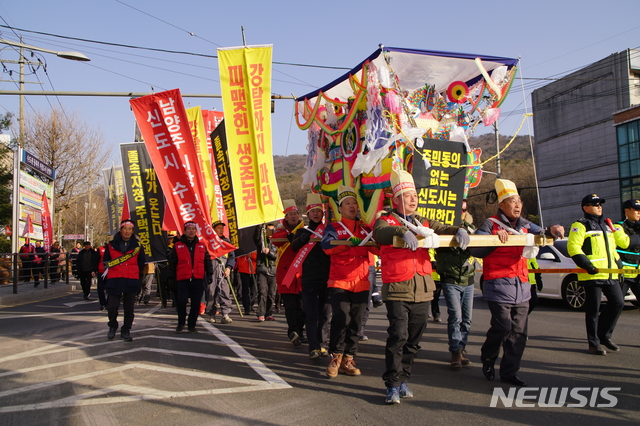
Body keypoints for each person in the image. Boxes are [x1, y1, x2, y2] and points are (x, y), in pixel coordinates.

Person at [374, 170, 468, 404]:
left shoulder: (423, 222)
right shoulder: (386, 220)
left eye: (415, 195)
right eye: (408, 196)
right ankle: (392, 384)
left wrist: (460, 230)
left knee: (414, 340)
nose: (413, 199)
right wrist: (401, 231)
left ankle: (404, 380)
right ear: (396, 201)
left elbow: (445, 227)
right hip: (398, 288)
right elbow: (380, 233)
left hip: (424, 290)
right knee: (398, 336)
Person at [471, 179, 564, 387]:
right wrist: (494, 240)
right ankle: (488, 356)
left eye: (519, 201)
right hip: (498, 283)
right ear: (502, 204)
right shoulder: (490, 223)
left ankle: (509, 372)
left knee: (519, 333)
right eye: (512, 201)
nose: (517, 205)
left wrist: (554, 228)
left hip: (522, 285)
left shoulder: (525, 225)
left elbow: (543, 232)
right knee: (503, 327)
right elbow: (474, 250)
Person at [322, 186, 379, 378]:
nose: (352, 206)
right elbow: (327, 247)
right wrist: (346, 242)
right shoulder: (334, 228)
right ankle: (335, 357)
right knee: (341, 318)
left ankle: (349, 358)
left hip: (362, 282)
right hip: (339, 282)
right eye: (347, 203)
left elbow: (379, 249)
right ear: (340, 208)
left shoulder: (365, 227)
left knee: (356, 322)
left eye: (354, 203)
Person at [567, 194, 635, 355]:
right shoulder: (580, 225)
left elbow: (612, 249)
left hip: (609, 274)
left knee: (618, 303)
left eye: (600, 204)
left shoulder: (606, 225)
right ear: (585, 207)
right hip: (592, 275)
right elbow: (573, 248)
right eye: (595, 204)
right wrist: (587, 265)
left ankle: (604, 335)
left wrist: (619, 265)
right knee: (593, 311)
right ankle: (594, 343)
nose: (599, 207)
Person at [291, 193, 331, 360]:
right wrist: (302, 238)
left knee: (326, 313)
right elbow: (294, 246)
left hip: (328, 277)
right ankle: (313, 347)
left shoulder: (329, 229)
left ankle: (323, 345)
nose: (315, 214)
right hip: (309, 279)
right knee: (312, 314)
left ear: (322, 213)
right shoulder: (301, 231)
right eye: (312, 211)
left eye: (318, 211)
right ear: (307, 215)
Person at [435, 206, 477, 369]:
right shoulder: (441, 228)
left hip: (469, 279)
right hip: (450, 278)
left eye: (466, 207)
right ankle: (455, 351)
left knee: (467, 319)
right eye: (460, 207)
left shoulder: (471, 228)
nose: (463, 210)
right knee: (455, 316)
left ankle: (462, 348)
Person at [104, 220, 146, 342]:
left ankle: (126, 330)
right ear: (120, 230)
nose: (127, 231)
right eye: (125, 228)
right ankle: (112, 325)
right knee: (112, 307)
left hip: (131, 279)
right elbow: (106, 262)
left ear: (132, 231)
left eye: (129, 229)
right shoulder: (111, 245)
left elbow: (141, 263)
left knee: (129, 309)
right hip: (114, 279)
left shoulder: (138, 246)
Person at [272, 200, 306, 347]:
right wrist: (290, 234)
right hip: (286, 274)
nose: (293, 216)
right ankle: (293, 332)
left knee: (303, 307)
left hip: (302, 275)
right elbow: (275, 241)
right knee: (290, 307)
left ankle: (300, 330)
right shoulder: (280, 231)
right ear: (285, 217)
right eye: (290, 214)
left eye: (296, 214)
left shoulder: (305, 230)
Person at [169, 221, 213, 333]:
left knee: (196, 303)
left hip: (198, 278)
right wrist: (171, 279)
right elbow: (172, 263)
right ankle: (180, 323)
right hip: (183, 279)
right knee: (181, 302)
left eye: (193, 229)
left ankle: (192, 325)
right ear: (184, 231)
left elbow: (207, 261)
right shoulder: (177, 246)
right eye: (189, 229)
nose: (191, 231)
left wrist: (209, 274)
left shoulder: (202, 245)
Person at [207, 220, 236, 324]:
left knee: (224, 291)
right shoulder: (209, 241)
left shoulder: (226, 241)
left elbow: (232, 257)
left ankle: (225, 314)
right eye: (218, 228)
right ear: (213, 229)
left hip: (223, 269)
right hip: (212, 269)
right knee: (211, 291)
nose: (221, 230)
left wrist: (229, 268)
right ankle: (211, 313)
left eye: (222, 228)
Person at [616, 199, 640, 304]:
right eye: (636, 210)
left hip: (638, 273)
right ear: (627, 211)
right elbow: (624, 243)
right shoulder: (618, 226)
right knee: (617, 304)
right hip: (623, 274)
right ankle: (603, 321)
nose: (639, 213)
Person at [253, 222, 278, 322]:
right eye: (268, 230)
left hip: (273, 270)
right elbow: (256, 238)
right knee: (263, 292)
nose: (270, 232)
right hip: (262, 269)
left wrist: (270, 252)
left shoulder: (276, 241)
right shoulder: (262, 242)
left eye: (272, 230)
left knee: (272, 293)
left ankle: (269, 312)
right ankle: (260, 313)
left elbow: (276, 255)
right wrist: (259, 226)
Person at [96, 242, 108, 310]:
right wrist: (93, 270)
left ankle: (110, 303)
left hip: (111, 272)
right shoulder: (100, 249)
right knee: (100, 289)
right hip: (101, 271)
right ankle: (103, 303)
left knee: (110, 289)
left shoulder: (116, 249)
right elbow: (96, 260)